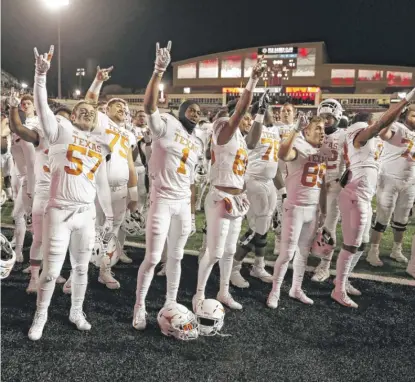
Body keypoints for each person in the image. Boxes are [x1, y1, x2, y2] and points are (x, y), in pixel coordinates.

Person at [28, 45, 113, 341]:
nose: (88, 112)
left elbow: (101, 182)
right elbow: (41, 107)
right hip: (60, 209)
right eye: (83, 110)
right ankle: (41, 314)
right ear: (74, 113)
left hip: (86, 213)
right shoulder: (61, 128)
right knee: (51, 272)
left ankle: (76, 310)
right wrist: (40, 75)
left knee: (80, 269)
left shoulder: (100, 143)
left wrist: (109, 216)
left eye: (92, 111)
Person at [132, 41, 202, 330]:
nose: (196, 113)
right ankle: (139, 306)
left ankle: (170, 301)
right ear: (182, 110)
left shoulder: (198, 141)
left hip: (182, 202)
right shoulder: (168, 124)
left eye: (200, 112)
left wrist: (193, 209)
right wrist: (158, 70)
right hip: (161, 199)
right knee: (152, 257)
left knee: (176, 257)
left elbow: (194, 178)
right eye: (192, 109)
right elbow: (149, 106)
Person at [193, 56, 265, 311]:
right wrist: (253, 80)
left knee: (230, 250)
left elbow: (253, 139)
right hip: (220, 196)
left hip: (237, 198)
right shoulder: (224, 130)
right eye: (244, 118)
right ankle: (199, 295)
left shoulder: (241, 141)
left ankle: (223, 291)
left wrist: (260, 116)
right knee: (213, 252)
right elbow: (239, 114)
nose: (245, 121)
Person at [332, 89, 415, 308]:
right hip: (355, 196)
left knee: (363, 243)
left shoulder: (364, 140)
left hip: (363, 196)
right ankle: (338, 289)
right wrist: (404, 102)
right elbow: (379, 127)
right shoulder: (359, 135)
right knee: (351, 245)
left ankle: (343, 279)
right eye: (372, 121)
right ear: (366, 123)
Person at [8, 89, 70, 291]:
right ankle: (34, 278)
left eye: (66, 120)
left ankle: (53, 271)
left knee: (58, 238)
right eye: (58, 119)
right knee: (39, 237)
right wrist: (12, 107)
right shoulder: (40, 136)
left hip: (63, 192)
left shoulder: (74, 140)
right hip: (43, 190)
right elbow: (17, 127)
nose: (61, 123)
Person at [267, 115, 327, 309]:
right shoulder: (298, 145)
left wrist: (323, 211)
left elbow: (322, 183)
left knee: (304, 253)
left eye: (323, 128)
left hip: (312, 208)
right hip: (295, 207)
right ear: (306, 130)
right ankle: (275, 291)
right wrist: (295, 129)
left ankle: (296, 288)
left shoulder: (321, 150)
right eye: (317, 128)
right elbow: (283, 154)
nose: (322, 131)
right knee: (286, 254)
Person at [230, 96, 284, 289]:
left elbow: (275, 163)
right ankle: (233, 268)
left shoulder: (275, 130)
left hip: (269, 183)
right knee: (257, 229)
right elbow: (251, 143)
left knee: (264, 228)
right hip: (253, 181)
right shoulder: (254, 126)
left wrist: (283, 191)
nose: (271, 111)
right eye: (265, 108)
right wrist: (259, 114)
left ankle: (258, 266)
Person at [367, 104, 415, 266]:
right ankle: (373, 251)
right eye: (413, 114)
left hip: (410, 182)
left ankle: (396, 250)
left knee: (402, 220)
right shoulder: (398, 127)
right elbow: (383, 134)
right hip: (389, 179)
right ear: (407, 114)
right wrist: (393, 115)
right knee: (382, 218)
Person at [311, 99, 346, 282]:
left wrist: (341, 182)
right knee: (311, 223)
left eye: (329, 117)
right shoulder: (315, 132)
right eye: (323, 117)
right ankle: (309, 254)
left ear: (337, 116)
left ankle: (325, 265)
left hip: (333, 186)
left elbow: (350, 163)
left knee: (328, 226)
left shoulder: (344, 136)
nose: (325, 121)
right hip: (313, 185)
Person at [9, 94, 37, 262]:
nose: (25, 106)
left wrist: (31, 186)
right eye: (23, 104)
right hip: (20, 175)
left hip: (30, 177)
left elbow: (33, 161)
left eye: (28, 103)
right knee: (27, 216)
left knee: (20, 215)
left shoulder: (32, 128)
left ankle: (20, 252)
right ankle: (20, 245)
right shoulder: (17, 128)